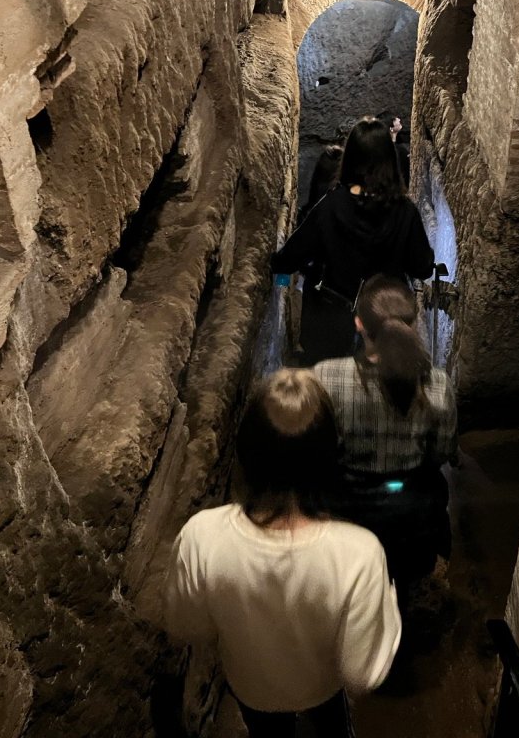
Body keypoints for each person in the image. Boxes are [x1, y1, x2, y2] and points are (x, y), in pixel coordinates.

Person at [165, 368, 401, 738]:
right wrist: (389, 605)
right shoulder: (359, 555)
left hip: (252, 688)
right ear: (329, 459)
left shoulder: (201, 537)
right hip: (322, 687)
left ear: (246, 454)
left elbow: (187, 625)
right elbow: (363, 673)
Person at [314, 275, 458, 599]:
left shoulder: (326, 376)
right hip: (411, 511)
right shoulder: (437, 384)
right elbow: (442, 452)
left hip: (348, 506)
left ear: (359, 324)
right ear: (414, 322)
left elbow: (319, 449)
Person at [272, 117, 434, 364]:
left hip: (333, 325)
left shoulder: (332, 206)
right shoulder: (404, 211)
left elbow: (292, 256)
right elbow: (422, 266)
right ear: (389, 161)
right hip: (385, 323)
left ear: (350, 159)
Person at [376, 109, 409, 187]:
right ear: (390, 128)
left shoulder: (380, 149)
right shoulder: (399, 151)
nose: (399, 119)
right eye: (395, 119)